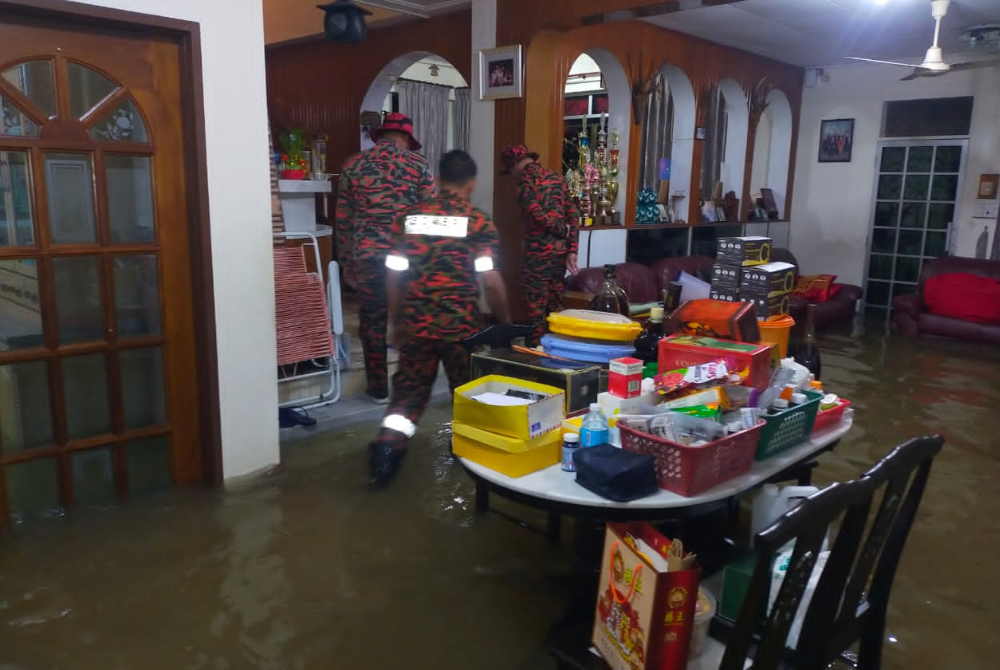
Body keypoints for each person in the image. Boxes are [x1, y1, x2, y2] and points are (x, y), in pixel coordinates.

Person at [368, 150, 510, 487]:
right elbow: (490, 280)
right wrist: (504, 325)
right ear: (471, 183)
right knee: (471, 395)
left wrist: (397, 321)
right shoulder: (477, 222)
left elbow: (394, 276)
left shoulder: (408, 218)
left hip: (417, 324)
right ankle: (474, 463)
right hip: (461, 330)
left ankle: (386, 455)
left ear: (437, 179)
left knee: (407, 396)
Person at [335, 113, 436, 403]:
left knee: (372, 321)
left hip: (368, 255)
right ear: (406, 139)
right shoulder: (419, 164)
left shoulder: (353, 164)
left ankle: (378, 388)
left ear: (381, 136)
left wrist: (347, 264)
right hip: (407, 257)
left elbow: (344, 220)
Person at [500, 144, 579, 346]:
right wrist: (572, 249)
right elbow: (573, 215)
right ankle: (562, 348)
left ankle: (535, 356)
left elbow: (535, 214)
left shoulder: (524, 182)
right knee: (555, 305)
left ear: (515, 165)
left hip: (537, 257)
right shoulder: (557, 178)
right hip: (560, 255)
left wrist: (560, 229)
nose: (512, 174)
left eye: (510, 170)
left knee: (535, 310)